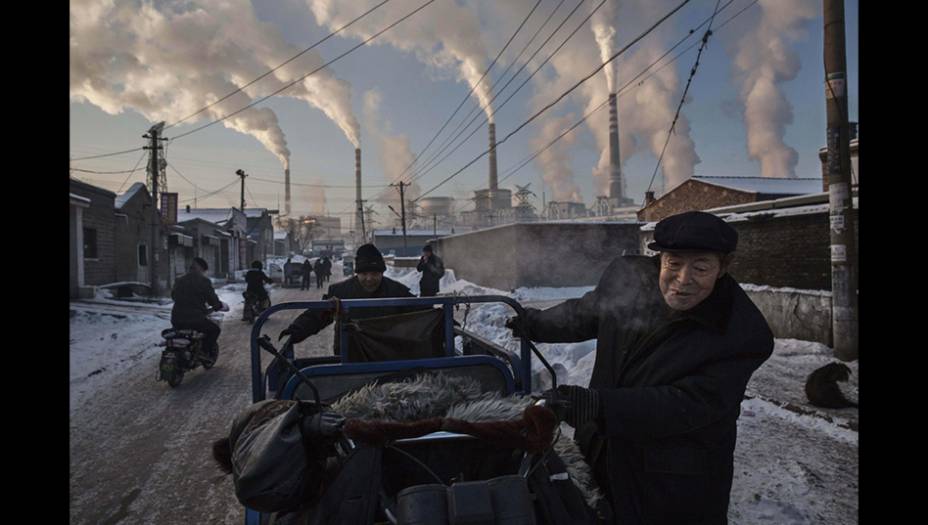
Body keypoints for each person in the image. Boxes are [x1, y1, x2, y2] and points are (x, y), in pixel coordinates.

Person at [507, 211, 774, 525]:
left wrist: (598, 406)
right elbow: (586, 313)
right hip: (600, 454)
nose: (683, 279)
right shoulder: (629, 280)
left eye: (701, 267)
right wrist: (532, 323)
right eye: (674, 263)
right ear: (659, 258)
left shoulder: (740, 333)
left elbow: (688, 404)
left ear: (723, 268)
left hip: (671, 483)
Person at [280, 243, 417, 352]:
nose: (369, 279)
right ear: (357, 273)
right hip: (349, 357)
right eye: (364, 274)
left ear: (382, 272)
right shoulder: (340, 292)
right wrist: (295, 331)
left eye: (375, 273)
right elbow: (318, 315)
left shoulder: (398, 292)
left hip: (386, 356)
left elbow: (421, 314)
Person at [171, 257, 225, 355]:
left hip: (176, 319)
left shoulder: (179, 280)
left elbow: (174, 296)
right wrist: (218, 305)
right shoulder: (204, 281)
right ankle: (204, 351)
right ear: (201, 269)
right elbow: (212, 300)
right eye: (203, 271)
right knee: (214, 330)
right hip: (195, 319)